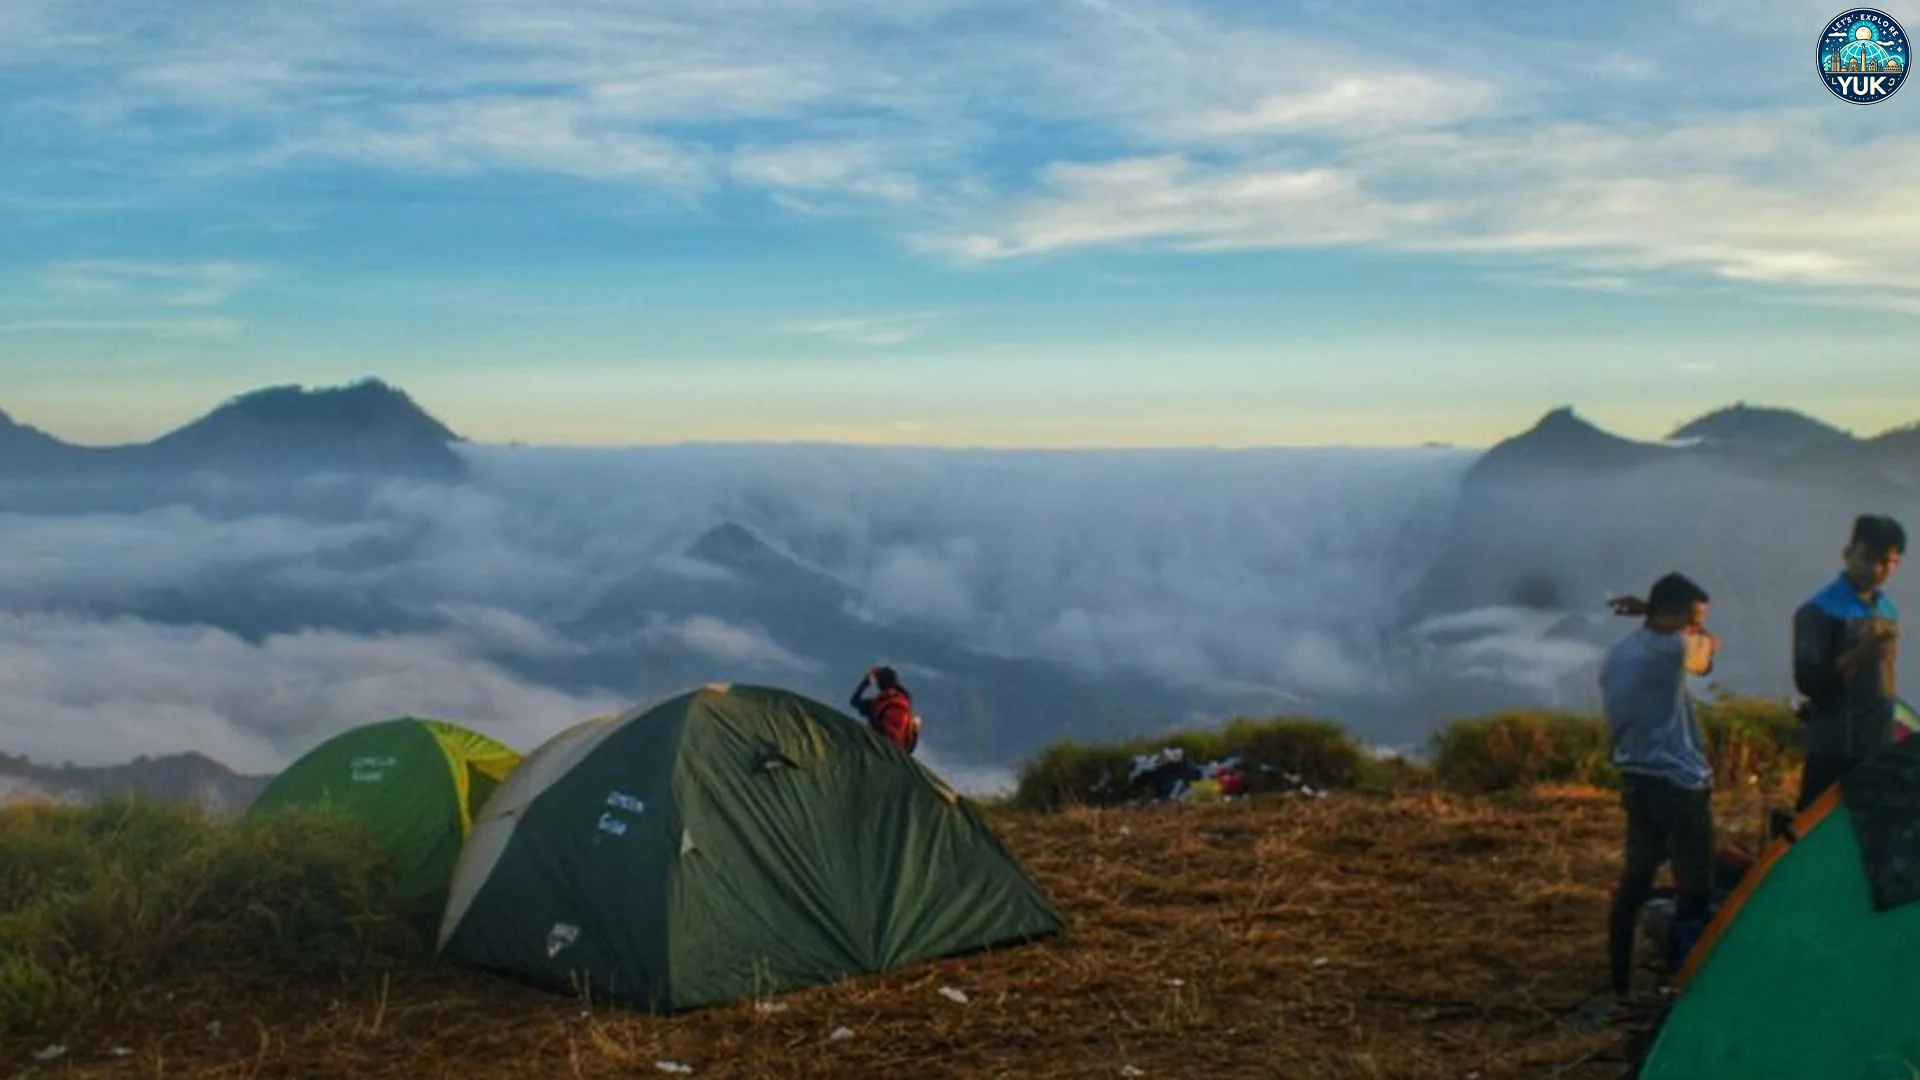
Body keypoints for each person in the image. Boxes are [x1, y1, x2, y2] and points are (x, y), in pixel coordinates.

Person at [1600, 573, 1720, 998]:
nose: (1695, 628)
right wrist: (1693, 632)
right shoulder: (1674, 649)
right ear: (1669, 615)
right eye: (1691, 619)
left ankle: (1619, 979)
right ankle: (1684, 978)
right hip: (1677, 783)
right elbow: (1708, 654)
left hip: (1636, 780)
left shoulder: (1620, 652)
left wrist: (1649, 613)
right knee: (1697, 883)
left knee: (1635, 881)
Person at [1792, 514, 1904, 811]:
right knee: (1817, 826)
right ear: (1848, 553)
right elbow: (1808, 683)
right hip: (1834, 748)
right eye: (1868, 558)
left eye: (1887, 562)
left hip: (1876, 744)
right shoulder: (1820, 610)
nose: (1877, 569)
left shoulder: (1886, 608)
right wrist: (1856, 657)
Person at [849, 665, 920, 754]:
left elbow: (854, 701)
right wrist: (915, 731)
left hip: (877, 750)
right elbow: (909, 748)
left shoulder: (877, 704)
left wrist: (866, 682)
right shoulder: (904, 702)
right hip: (896, 754)